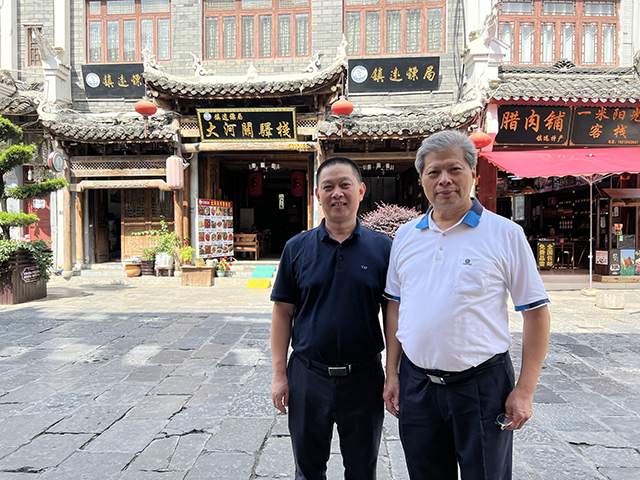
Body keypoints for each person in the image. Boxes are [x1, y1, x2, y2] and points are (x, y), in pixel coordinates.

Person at [383, 130, 551, 480]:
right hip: (418, 385)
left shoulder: (504, 234)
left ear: (472, 173)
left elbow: (535, 312)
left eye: (454, 169)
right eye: (433, 172)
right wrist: (392, 373)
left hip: (482, 386)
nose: (444, 179)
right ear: (421, 179)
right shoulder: (406, 236)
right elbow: (395, 306)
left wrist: (525, 390)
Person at [270, 156, 392, 480]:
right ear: (317, 194)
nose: (337, 193)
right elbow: (282, 312)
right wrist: (279, 375)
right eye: (328, 187)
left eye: (345, 185)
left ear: (361, 191)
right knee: (307, 470)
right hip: (308, 377)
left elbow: (392, 313)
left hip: (364, 377)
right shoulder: (296, 248)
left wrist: (393, 374)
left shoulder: (383, 249)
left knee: (362, 470)